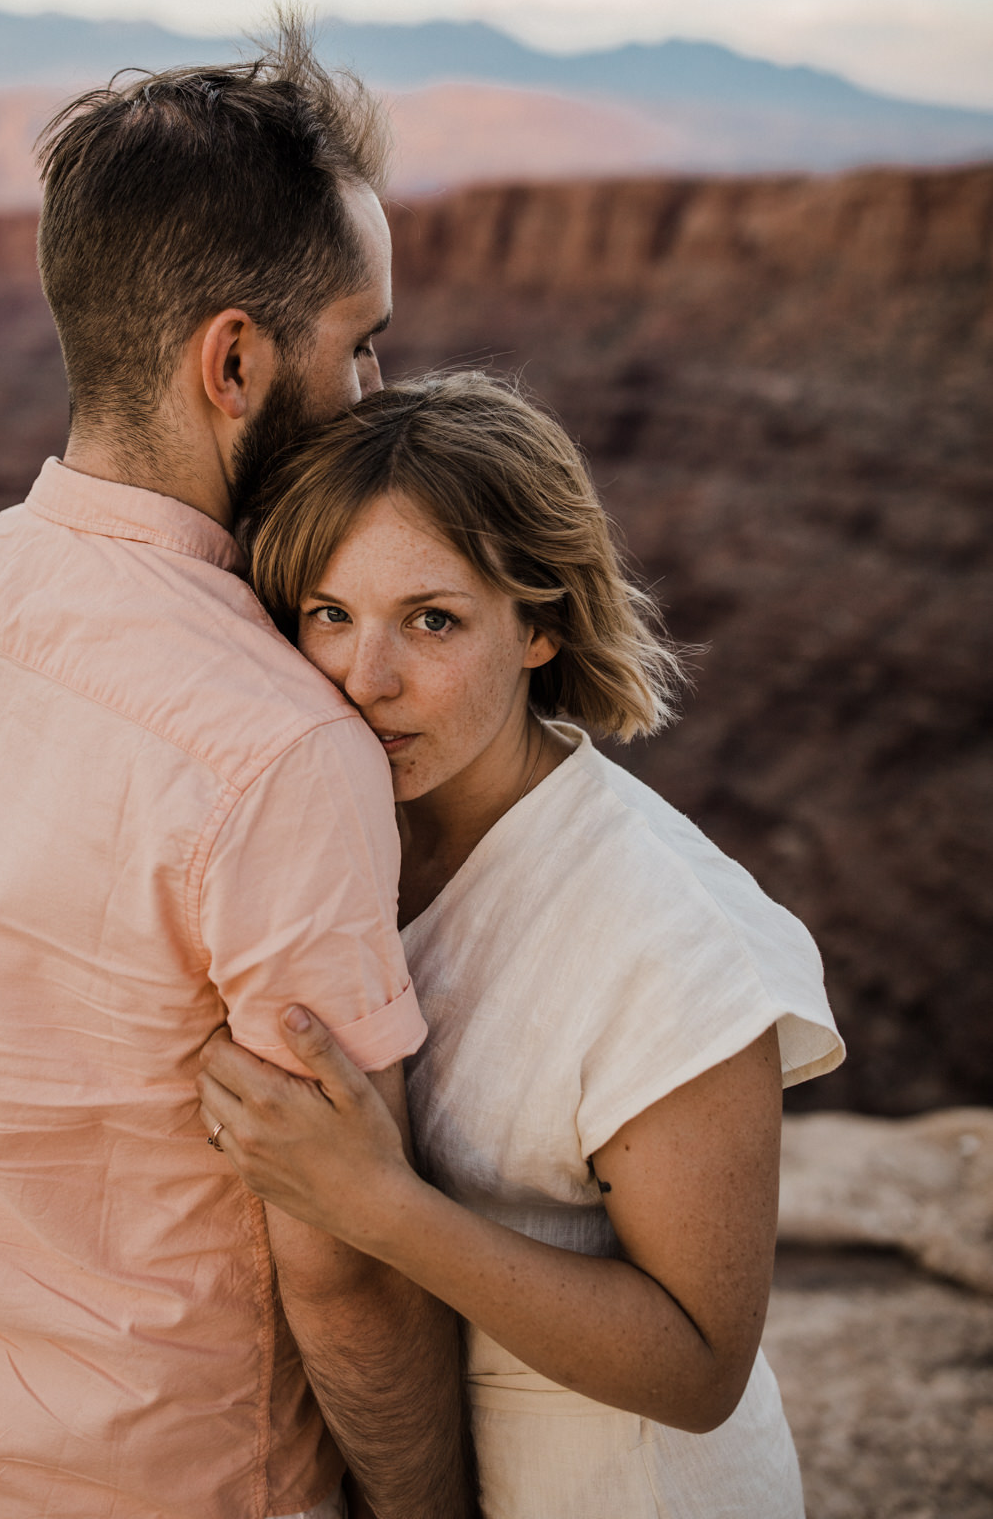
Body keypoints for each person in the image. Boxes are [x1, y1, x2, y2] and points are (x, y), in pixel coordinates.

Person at [0, 25, 472, 1519]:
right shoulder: (282, 748)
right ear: (234, 360)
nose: (380, 391)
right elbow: (343, 1262)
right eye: (359, 342)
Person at [197, 371, 845, 1519]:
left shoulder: (664, 933)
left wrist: (378, 1206)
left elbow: (699, 1367)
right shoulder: (343, 842)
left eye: (432, 618)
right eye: (329, 612)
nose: (364, 677)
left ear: (540, 623)